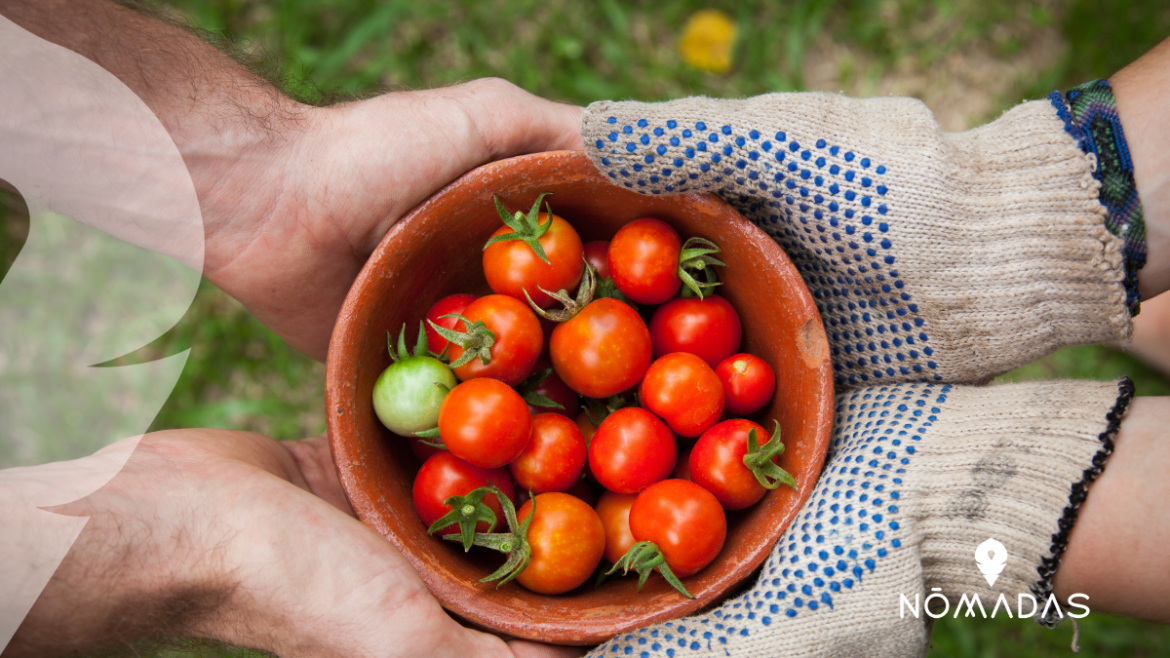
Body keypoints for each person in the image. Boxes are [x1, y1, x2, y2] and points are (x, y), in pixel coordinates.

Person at [2, 0, 1168, 655]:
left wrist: (1012, 212)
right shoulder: (540, 426)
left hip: (641, 434)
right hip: (632, 449)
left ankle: (1119, 291)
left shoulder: (537, 380)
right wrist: (188, 541)